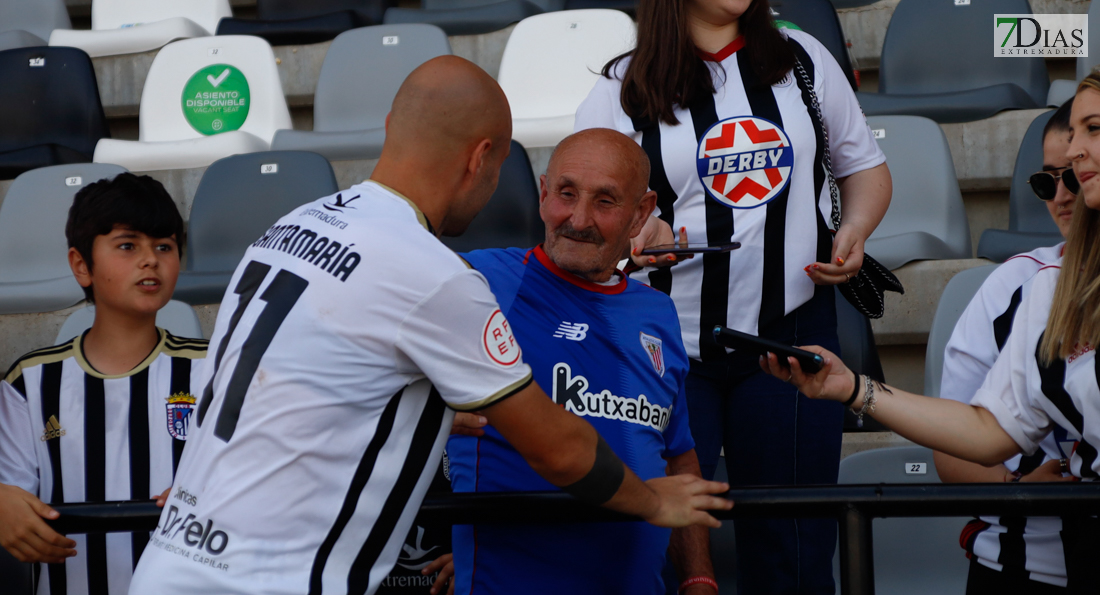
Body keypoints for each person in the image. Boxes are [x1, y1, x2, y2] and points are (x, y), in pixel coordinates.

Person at [127, 56, 732, 595]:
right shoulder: (434, 274)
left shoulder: (289, 226)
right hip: (272, 577)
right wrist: (652, 500)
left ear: (393, 127)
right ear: (482, 159)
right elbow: (559, 448)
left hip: (170, 564)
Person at [572, 0, 892, 591]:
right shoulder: (621, 85)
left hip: (790, 332)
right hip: (658, 347)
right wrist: (633, 238)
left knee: (794, 548)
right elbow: (578, 218)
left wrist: (855, 229)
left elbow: (864, 167)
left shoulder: (803, 61)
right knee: (654, 543)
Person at [760, 71, 1100, 595]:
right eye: (1073, 133)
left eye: (1093, 129)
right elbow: (986, 433)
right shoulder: (1050, 290)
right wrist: (852, 387)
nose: (1076, 152)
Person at [423, 129, 716, 595]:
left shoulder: (656, 312)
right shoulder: (480, 280)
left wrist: (699, 580)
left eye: (605, 201)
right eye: (566, 194)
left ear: (641, 213)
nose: (578, 219)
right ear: (542, 195)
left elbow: (677, 454)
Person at [0, 173, 207, 595]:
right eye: (128, 245)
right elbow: (12, 493)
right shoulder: (30, 381)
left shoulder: (212, 368)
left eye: (164, 246)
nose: (150, 260)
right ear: (81, 265)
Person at [934, 99, 1078, 593]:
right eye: (1046, 181)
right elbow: (952, 452)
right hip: (1019, 565)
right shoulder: (1012, 285)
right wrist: (1016, 493)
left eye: (1075, 177)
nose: (1061, 196)